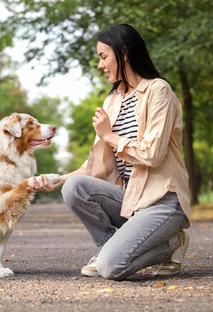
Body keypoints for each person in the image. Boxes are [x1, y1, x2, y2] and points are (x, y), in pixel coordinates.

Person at [28, 24, 190, 280]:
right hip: (131, 201)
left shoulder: (159, 91)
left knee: (110, 268)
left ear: (124, 53)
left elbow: (153, 154)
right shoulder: (112, 100)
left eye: (104, 57)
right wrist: (56, 180)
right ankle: (113, 247)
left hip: (163, 201)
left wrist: (109, 135)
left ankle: (168, 246)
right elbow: (95, 167)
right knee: (74, 188)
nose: (101, 65)